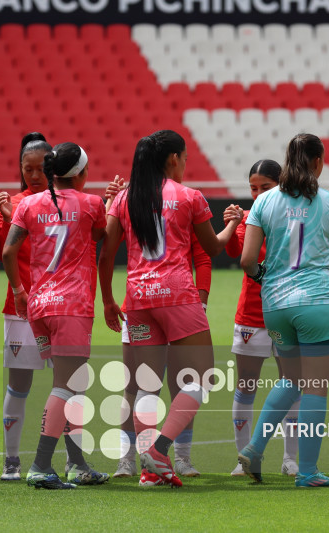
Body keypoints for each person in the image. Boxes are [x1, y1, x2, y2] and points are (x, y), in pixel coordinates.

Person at [98, 129, 240, 488]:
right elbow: (213, 248)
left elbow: (105, 255)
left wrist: (108, 300)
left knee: (145, 385)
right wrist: (233, 225)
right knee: (200, 378)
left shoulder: (123, 199)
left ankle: (149, 470)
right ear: (173, 159)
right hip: (177, 295)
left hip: (138, 298)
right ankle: (160, 451)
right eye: (185, 159)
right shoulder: (189, 196)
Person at [237, 133, 329, 488]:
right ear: (319, 163)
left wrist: (266, 279)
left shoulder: (264, 202)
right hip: (317, 305)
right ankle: (307, 472)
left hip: (275, 307)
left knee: (291, 380)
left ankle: (256, 448)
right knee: (315, 388)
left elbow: (247, 260)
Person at [2, 142, 109, 490]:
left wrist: (19, 291)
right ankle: (41, 464)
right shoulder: (92, 204)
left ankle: (77, 463)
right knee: (66, 385)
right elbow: (102, 239)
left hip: (39, 304)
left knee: (71, 386)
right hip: (73, 306)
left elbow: (9, 250)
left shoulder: (30, 204)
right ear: (80, 174)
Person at [225, 159, 301, 477]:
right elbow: (236, 254)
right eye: (253, 188)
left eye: (265, 188)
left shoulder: (295, 216)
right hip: (252, 315)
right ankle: (244, 459)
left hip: (286, 313)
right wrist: (231, 226)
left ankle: (289, 459)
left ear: (281, 184)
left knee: (293, 383)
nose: (257, 195)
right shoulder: (249, 217)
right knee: (245, 385)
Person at [0, 132, 54, 481]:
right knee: (18, 385)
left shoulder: (65, 202)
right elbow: (5, 251)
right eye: (27, 169)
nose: (34, 175)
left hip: (60, 304)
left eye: (40, 168)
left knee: (66, 383)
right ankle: (11, 460)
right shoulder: (13, 204)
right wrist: (8, 216)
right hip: (19, 306)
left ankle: (69, 457)